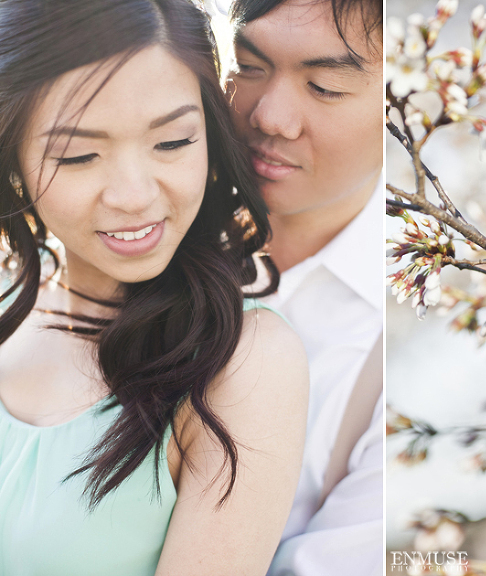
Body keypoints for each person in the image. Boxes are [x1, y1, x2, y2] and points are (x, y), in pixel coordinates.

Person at [0, 1, 308, 574]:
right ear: (12, 155)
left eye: (172, 143)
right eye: (79, 155)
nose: (135, 195)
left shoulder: (240, 363)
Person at [226, 0, 383, 574]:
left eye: (322, 87)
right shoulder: (133, 222)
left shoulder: (395, 339)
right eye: (248, 65)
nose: (270, 117)